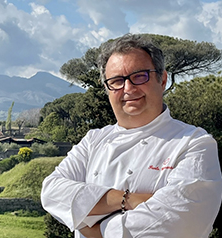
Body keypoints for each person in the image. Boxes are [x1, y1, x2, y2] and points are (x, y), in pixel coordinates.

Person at [41, 33, 222, 238]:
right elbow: (51, 192)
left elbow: (179, 222)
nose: (128, 88)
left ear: (162, 79)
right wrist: (128, 200)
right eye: (117, 81)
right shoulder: (93, 140)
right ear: (107, 89)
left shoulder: (195, 143)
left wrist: (95, 229)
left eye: (139, 76)